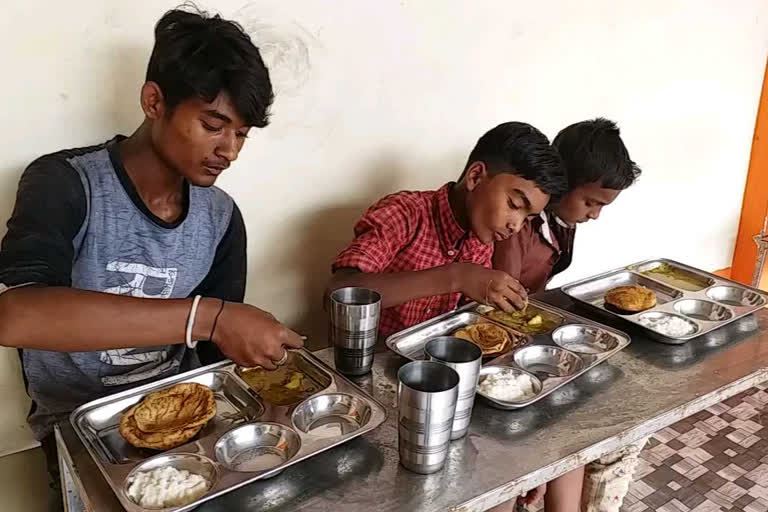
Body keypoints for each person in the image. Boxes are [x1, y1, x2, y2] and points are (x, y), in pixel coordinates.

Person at [0, 8, 302, 511]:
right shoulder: (66, 183)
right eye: (213, 125)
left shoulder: (221, 217)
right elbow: (16, 314)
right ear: (154, 101)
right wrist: (210, 316)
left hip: (186, 417)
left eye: (242, 134)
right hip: (81, 430)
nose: (229, 150)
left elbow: (214, 354)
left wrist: (262, 369)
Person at [327, 122, 588, 510]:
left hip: (449, 394)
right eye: (515, 204)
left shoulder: (482, 236)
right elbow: (338, 293)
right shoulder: (405, 213)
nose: (517, 224)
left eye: (529, 216)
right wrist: (456, 276)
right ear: (476, 175)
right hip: (380, 390)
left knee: (562, 448)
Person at [494, 118, 643, 512]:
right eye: (591, 202)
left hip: (532, 329)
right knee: (562, 420)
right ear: (563, 184)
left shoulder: (560, 222)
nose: (594, 215)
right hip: (503, 343)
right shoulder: (518, 228)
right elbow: (502, 306)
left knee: (578, 425)